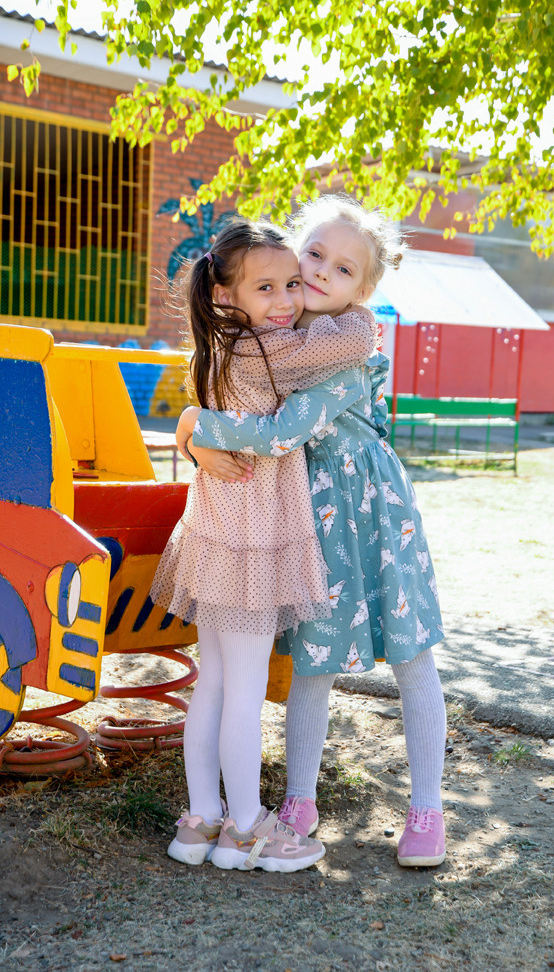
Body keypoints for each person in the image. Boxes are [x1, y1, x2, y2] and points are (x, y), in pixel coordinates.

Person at [178, 196, 447, 867]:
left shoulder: (347, 348)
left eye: (345, 268)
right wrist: (196, 433)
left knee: (411, 655)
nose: (324, 272)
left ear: (366, 289)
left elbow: (277, 432)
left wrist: (192, 427)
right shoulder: (274, 336)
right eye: (315, 255)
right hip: (303, 518)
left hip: (374, 515)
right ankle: (298, 800)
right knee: (313, 659)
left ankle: (427, 810)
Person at [151, 216, 376, 872]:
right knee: (242, 691)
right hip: (254, 543)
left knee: (214, 685)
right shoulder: (275, 349)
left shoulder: (217, 345)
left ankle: (201, 821)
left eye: (291, 285)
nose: (287, 301)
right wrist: (348, 307)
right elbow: (359, 338)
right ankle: (247, 828)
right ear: (226, 296)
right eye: (267, 289)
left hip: (216, 538)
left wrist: (194, 425)